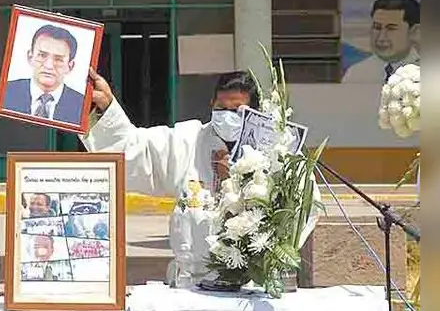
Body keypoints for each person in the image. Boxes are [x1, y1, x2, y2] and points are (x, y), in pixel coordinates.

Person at [81, 69, 320, 242]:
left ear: (254, 112)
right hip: (193, 278)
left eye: (236, 110)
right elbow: (135, 149)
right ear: (211, 104)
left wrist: (241, 181)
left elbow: (301, 206)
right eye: (221, 108)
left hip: (254, 279)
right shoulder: (187, 140)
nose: (227, 116)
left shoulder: (277, 151)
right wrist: (106, 107)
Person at [3, 24, 85, 125]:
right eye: (42, 55)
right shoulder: (4, 91)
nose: (49, 65)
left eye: (58, 59)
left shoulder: (83, 106)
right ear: (30, 57)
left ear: (70, 66)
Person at [342, 0, 420, 83]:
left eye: (391, 29)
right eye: (377, 28)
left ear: (414, 31)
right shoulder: (357, 72)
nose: (381, 37)